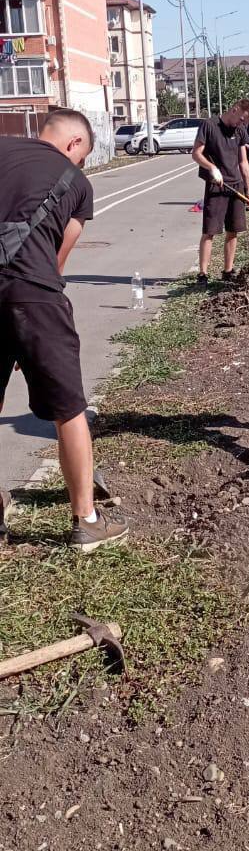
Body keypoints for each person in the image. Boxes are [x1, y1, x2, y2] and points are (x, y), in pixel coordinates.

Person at [0, 110, 129, 552]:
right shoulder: (76, 184)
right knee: (69, 409)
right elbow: (57, 261)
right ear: (75, 144)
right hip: (34, 297)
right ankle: (87, 521)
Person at [192, 99, 249, 287]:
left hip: (236, 187)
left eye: (245, 122)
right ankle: (203, 274)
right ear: (235, 110)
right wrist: (212, 168)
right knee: (210, 231)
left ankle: (228, 271)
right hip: (216, 186)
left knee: (233, 230)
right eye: (241, 119)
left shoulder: (240, 131)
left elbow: (243, 162)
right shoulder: (209, 126)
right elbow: (196, 153)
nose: (241, 124)